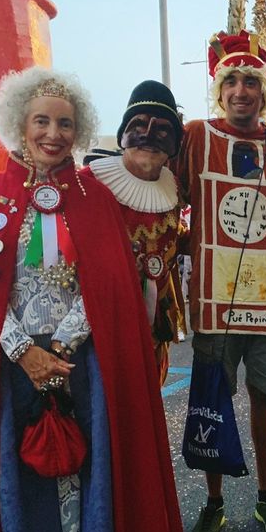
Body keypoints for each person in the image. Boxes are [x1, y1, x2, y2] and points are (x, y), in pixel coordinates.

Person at [0, 67, 187, 532]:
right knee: (24, 479)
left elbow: (107, 287)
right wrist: (23, 350)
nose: (53, 134)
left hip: (82, 365)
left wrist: (63, 345)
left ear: (79, 131)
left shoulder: (94, 200)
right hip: (11, 370)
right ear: (19, 124)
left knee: (90, 470)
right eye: (42, 121)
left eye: (65, 124)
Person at [172, 30, 266, 532]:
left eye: (252, 81)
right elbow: (165, 197)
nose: (242, 90)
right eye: (232, 81)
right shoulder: (195, 136)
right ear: (219, 89)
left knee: (264, 397)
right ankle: (214, 500)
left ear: (263, 92)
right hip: (213, 301)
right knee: (212, 401)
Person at [85, 80, 186, 384]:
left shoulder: (174, 187)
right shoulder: (89, 184)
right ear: (124, 134)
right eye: (139, 125)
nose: (149, 138)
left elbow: (171, 243)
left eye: (162, 131)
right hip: (101, 329)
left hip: (155, 330)